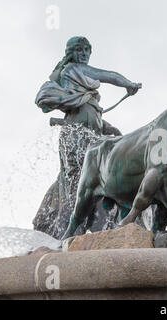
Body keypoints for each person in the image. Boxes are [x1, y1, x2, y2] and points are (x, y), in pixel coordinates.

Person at [33, 36, 142, 239]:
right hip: (76, 137)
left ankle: (93, 221)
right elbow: (108, 75)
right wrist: (128, 84)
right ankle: (76, 226)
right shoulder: (74, 70)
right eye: (80, 50)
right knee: (83, 179)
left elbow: (91, 116)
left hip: (87, 136)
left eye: (87, 51)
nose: (84, 55)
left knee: (85, 179)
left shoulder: (85, 94)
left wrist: (110, 128)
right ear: (71, 53)